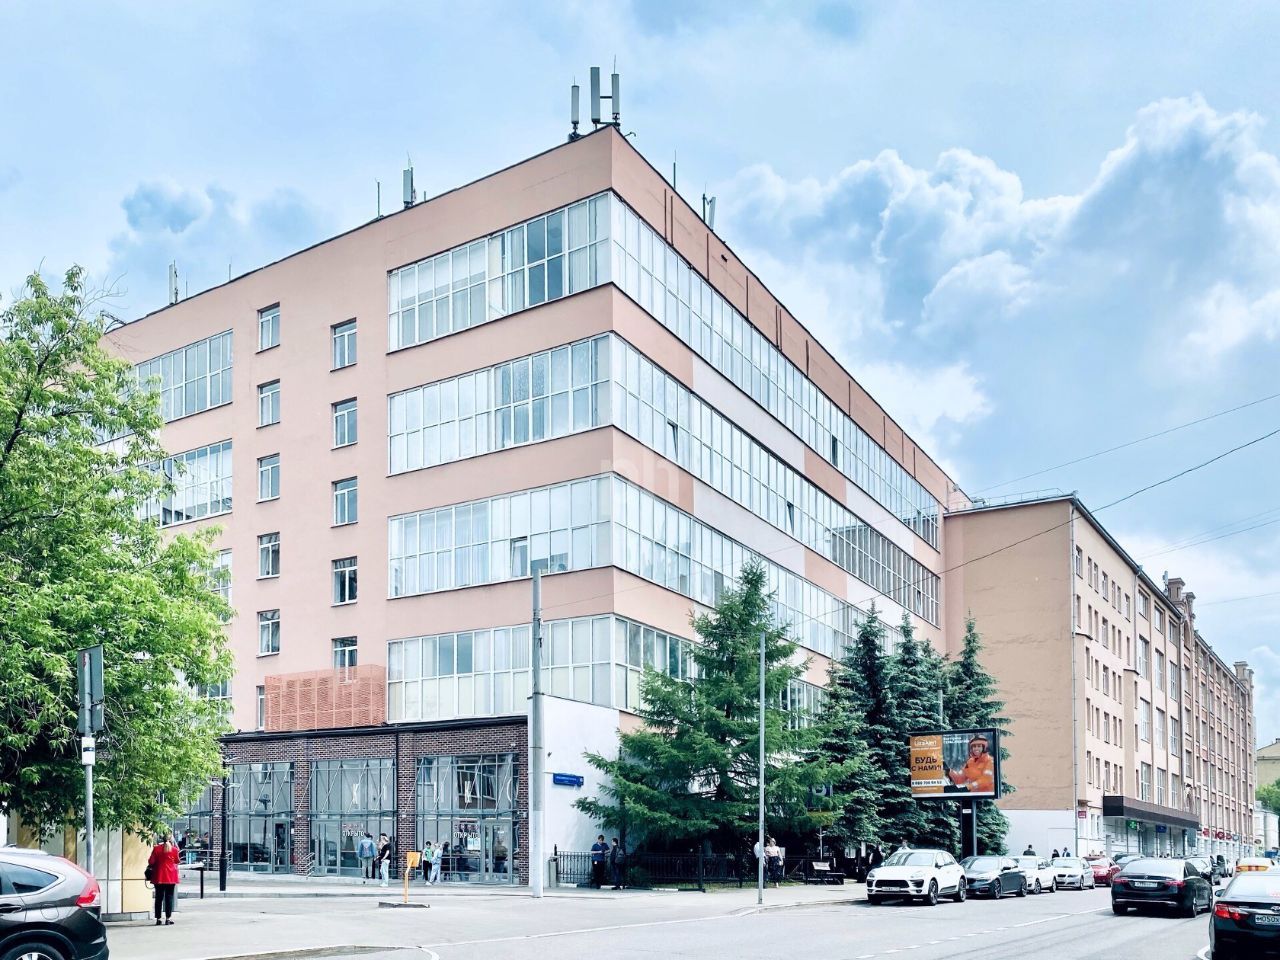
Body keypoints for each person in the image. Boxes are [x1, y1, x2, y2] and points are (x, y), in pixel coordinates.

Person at [148, 833, 181, 926]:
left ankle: (158, 919)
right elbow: (177, 861)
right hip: (171, 876)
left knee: (159, 897)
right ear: (171, 839)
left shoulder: (156, 849)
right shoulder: (174, 850)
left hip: (159, 876)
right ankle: (168, 918)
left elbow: (151, 861)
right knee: (169, 897)